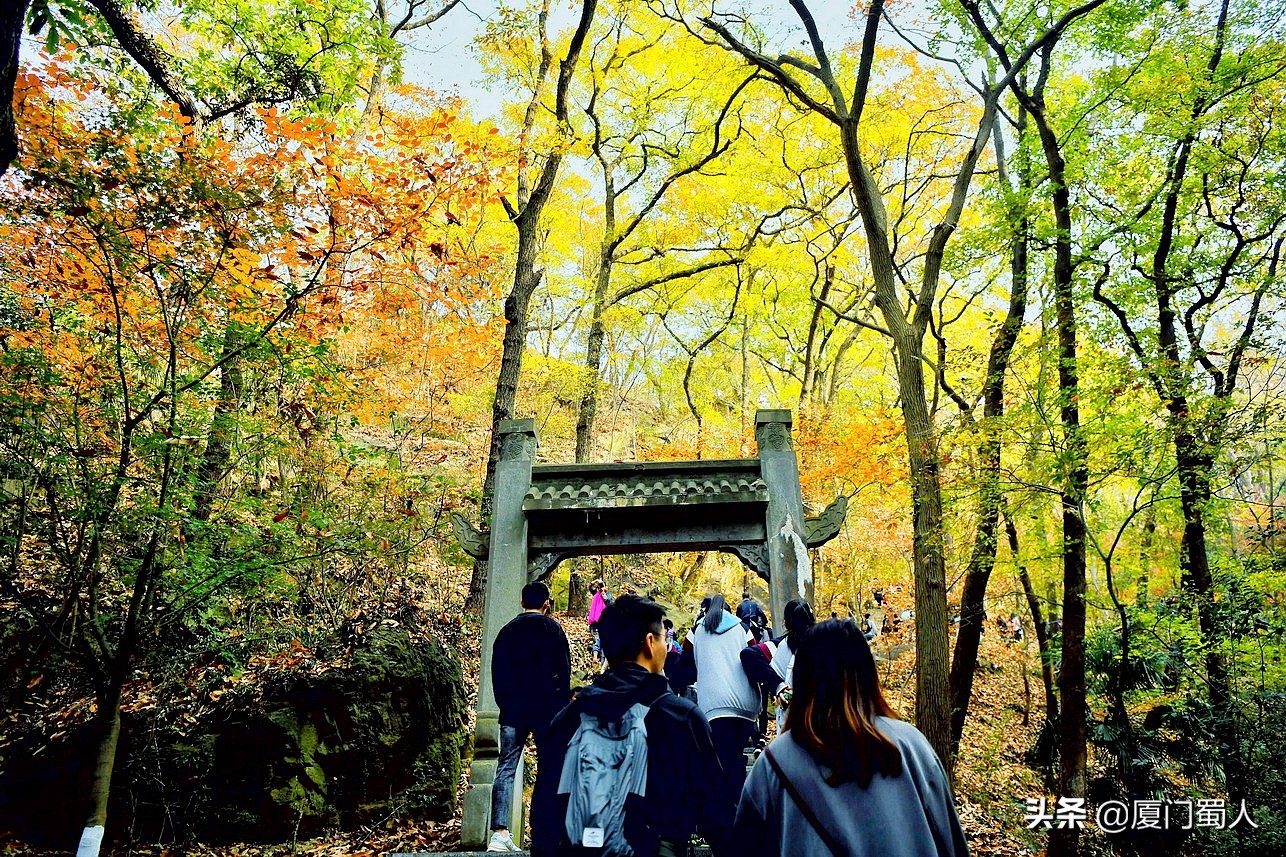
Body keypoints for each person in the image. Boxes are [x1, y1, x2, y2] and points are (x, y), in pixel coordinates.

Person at [732, 619, 969, 857]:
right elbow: (950, 842)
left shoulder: (776, 762)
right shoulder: (912, 747)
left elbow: (745, 845)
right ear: (867, 674)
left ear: (803, 679)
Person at [530, 594, 733, 857]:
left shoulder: (568, 718)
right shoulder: (681, 717)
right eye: (663, 638)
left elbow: (545, 808)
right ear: (650, 643)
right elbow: (717, 812)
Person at [488, 581, 571, 853]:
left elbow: (497, 673)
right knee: (548, 769)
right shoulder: (553, 630)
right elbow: (564, 673)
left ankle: (499, 833)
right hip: (547, 712)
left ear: (522, 602)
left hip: (513, 711)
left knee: (506, 768)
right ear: (546, 603)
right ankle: (545, 832)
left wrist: (505, 704)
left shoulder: (506, 632)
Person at [687, 594, 761, 817]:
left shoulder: (697, 629)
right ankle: (741, 806)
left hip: (714, 705)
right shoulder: (741, 627)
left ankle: (730, 811)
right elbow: (754, 653)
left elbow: (685, 659)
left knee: (723, 758)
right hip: (746, 704)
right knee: (735, 754)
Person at [741, 599, 816, 732]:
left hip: (792, 724)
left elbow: (748, 655)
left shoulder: (782, 646)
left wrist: (778, 686)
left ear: (786, 623)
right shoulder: (826, 643)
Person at [587, 580, 611, 665]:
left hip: (603, 621)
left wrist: (606, 599)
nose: (602, 588)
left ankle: (600, 660)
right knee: (599, 639)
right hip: (595, 622)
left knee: (602, 640)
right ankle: (597, 658)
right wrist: (595, 582)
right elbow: (590, 587)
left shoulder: (607, 595)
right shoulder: (596, 594)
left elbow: (609, 605)